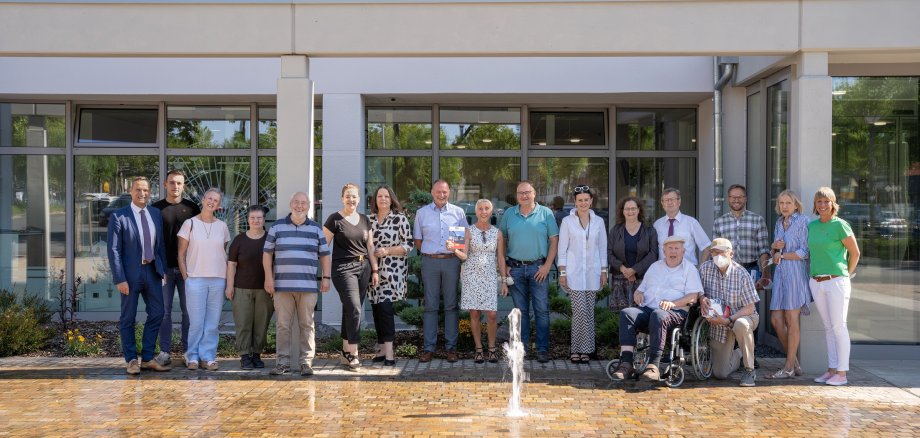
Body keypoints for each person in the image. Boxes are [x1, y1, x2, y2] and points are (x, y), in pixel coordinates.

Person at [609, 235, 703, 382]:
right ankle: (626, 363)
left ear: (683, 251)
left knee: (659, 315)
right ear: (664, 251)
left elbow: (693, 297)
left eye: (676, 248)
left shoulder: (690, 269)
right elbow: (640, 290)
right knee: (627, 313)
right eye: (670, 248)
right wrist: (638, 294)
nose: (673, 251)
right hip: (649, 309)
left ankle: (654, 365)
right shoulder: (655, 267)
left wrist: (673, 303)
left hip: (675, 312)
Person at [106, 176, 171, 374]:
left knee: (158, 312)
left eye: (145, 190)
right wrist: (120, 278)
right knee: (128, 317)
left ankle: (148, 358)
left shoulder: (155, 214)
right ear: (131, 191)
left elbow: (160, 246)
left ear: (150, 192)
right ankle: (132, 360)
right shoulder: (119, 216)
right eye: (138, 190)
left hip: (152, 271)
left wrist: (163, 270)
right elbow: (113, 250)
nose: (142, 193)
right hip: (130, 275)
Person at [264, 192, 331, 377]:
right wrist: (268, 278)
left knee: (307, 325)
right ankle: (282, 362)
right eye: (296, 202)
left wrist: (326, 278)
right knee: (282, 326)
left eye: (303, 203)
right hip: (281, 286)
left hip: (308, 287)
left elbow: (325, 255)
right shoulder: (277, 227)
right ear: (290, 204)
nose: (299, 206)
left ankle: (306, 363)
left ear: (309, 206)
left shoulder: (317, 229)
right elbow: (267, 254)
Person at [499, 180, 559, 363]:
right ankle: (521, 349)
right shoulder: (509, 214)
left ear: (534, 194)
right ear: (516, 195)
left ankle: (542, 349)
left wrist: (548, 266)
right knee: (520, 312)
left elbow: (554, 241)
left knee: (541, 310)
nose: (524, 196)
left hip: (538, 268)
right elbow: (502, 241)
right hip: (515, 269)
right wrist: (504, 268)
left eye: (527, 192)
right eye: (520, 193)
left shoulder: (546, 213)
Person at [324, 183, 380, 371]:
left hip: (363, 267)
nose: (351, 199)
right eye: (348, 196)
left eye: (354, 196)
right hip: (343, 268)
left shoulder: (364, 220)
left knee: (350, 309)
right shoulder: (334, 219)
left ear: (359, 199)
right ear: (342, 198)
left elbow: (370, 246)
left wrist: (374, 270)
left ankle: (344, 352)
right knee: (355, 307)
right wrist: (324, 274)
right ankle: (354, 353)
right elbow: (323, 248)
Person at [809, 187, 860, 386]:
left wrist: (846, 275)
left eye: (826, 202)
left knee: (839, 326)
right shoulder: (812, 226)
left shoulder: (841, 225)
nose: (822, 205)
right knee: (829, 328)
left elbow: (855, 253)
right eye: (819, 202)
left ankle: (842, 372)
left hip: (836, 281)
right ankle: (831, 370)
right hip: (816, 281)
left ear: (833, 204)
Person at [413, 179, 469, 363]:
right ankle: (429, 348)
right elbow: (418, 242)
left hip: (451, 262)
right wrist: (432, 251)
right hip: (430, 262)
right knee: (430, 306)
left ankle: (450, 348)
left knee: (451, 305)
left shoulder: (458, 212)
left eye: (445, 192)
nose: (441, 195)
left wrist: (455, 250)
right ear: (432, 192)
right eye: (438, 191)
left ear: (449, 193)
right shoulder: (422, 213)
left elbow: (463, 238)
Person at [177, 188, 231, 371]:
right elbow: (181, 254)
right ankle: (192, 355)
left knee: (212, 323)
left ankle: (208, 357)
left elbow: (222, 252)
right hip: (196, 280)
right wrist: (186, 278)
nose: (211, 202)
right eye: (209, 198)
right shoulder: (189, 224)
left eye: (216, 200)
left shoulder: (222, 227)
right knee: (197, 322)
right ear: (203, 199)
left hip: (217, 279)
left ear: (219, 204)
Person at [449, 199, 508, 364]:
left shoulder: (498, 233)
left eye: (487, 208)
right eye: (480, 209)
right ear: (476, 212)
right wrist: (454, 249)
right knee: (474, 312)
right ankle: (479, 350)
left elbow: (501, 258)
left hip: (489, 276)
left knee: (492, 314)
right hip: (471, 275)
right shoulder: (467, 231)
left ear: (491, 212)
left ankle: (491, 348)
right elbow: (464, 255)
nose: (483, 212)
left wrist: (503, 280)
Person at [151, 169, 200, 366]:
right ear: (165, 184)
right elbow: (152, 241)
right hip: (164, 270)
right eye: (172, 183)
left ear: (184, 186)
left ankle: (189, 352)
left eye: (179, 183)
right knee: (164, 312)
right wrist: (157, 267)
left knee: (189, 312)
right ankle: (164, 352)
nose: (175, 186)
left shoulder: (192, 208)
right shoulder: (155, 209)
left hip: (188, 270)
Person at [699, 238, 760, 387]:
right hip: (718, 323)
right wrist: (701, 298)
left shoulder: (741, 274)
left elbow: (750, 307)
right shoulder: (705, 269)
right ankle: (739, 353)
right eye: (714, 253)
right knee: (720, 373)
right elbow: (697, 290)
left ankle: (749, 370)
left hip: (742, 315)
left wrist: (730, 320)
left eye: (721, 252)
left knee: (741, 325)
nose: (717, 256)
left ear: (731, 254)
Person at [557, 185, 607, 364]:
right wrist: (562, 273)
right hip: (573, 273)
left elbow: (602, 248)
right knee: (580, 311)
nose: (583, 203)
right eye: (580, 200)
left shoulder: (599, 222)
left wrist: (603, 271)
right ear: (575, 202)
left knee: (588, 312)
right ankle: (583, 349)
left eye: (586, 200)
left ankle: (578, 350)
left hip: (592, 273)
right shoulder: (567, 222)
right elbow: (561, 249)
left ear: (591, 201)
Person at [766, 190, 811, 379]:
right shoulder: (779, 222)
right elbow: (775, 249)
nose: (784, 206)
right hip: (780, 276)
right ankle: (795, 364)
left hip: (795, 275)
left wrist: (782, 255)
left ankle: (789, 366)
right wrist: (774, 247)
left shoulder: (803, 221)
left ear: (795, 205)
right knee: (776, 320)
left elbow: (804, 252)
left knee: (792, 321)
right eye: (781, 202)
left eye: (788, 203)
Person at [368, 185, 413, 367]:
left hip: (393, 271)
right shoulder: (368, 219)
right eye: (380, 196)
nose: (383, 199)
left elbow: (409, 245)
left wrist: (387, 251)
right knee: (377, 309)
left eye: (386, 196)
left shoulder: (399, 218)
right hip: (373, 271)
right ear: (375, 200)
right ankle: (381, 348)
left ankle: (390, 352)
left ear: (391, 198)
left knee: (385, 310)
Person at [225, 205, 272, 370]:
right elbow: (231, 265)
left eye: (259, 218)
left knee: (261, 323)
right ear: (248, 220)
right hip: (241, 288)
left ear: (263, 220)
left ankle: (257, 355)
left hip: (264, 290)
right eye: (253, 218)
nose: (256, 221)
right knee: (243, 323)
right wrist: (229, 286)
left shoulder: (270, 239)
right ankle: (245, 356)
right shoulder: (239, 240)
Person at [608, 196, 659, 312]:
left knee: (641, 316)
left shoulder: (649, 230)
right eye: (627, 209)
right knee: (620, 317)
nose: (630, 211)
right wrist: (622, 268)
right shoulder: (615, 230)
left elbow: (653, 254)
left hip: (643, 280)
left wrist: (634, 270)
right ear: (622, 211)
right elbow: (609, 252)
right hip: (619, 280)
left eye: (633, 208)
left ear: (639, 210)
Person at [711, 184, 771, 280]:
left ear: (745, 199)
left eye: (740, 197)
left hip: (751, 270)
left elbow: (764, 250)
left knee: (751, 296)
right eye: (733, 197)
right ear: (728, 199)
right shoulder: (719, 222)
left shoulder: (758, 220)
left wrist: (765, 273)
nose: (736, 200)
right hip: (726, 270)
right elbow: (715, 251)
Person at [653, 188, 710, 265]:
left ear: (679, 202)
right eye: (666, 200)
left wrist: (700, 269)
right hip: (663, 272)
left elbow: (707, 247)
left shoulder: (691, 222)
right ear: (662, 204)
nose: (669, 202)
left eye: (672, 199)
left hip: (687, 271)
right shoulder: (657, 225)